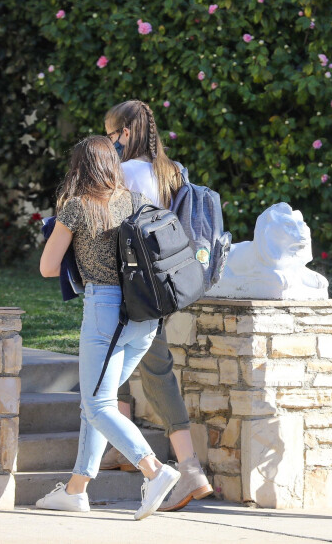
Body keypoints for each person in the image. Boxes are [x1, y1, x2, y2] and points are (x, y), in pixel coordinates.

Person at [37, 136, 180, 520]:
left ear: (79, 167)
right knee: (95, 403)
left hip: (105, 312)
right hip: (146, 317)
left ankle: (154, 470)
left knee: (98, 404)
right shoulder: (135, 202)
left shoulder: (77, 208)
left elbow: (48, 267)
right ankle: (76, 489)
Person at [102, 99, 213, 511]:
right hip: (166, 282)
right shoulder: (173, 170)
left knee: (155, 369)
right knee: (128, 360)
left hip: (135, 287)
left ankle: (189, 468)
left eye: (111, 135)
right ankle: (120, 449)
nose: (109, 143)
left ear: (125, 134)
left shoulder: (126, 172)